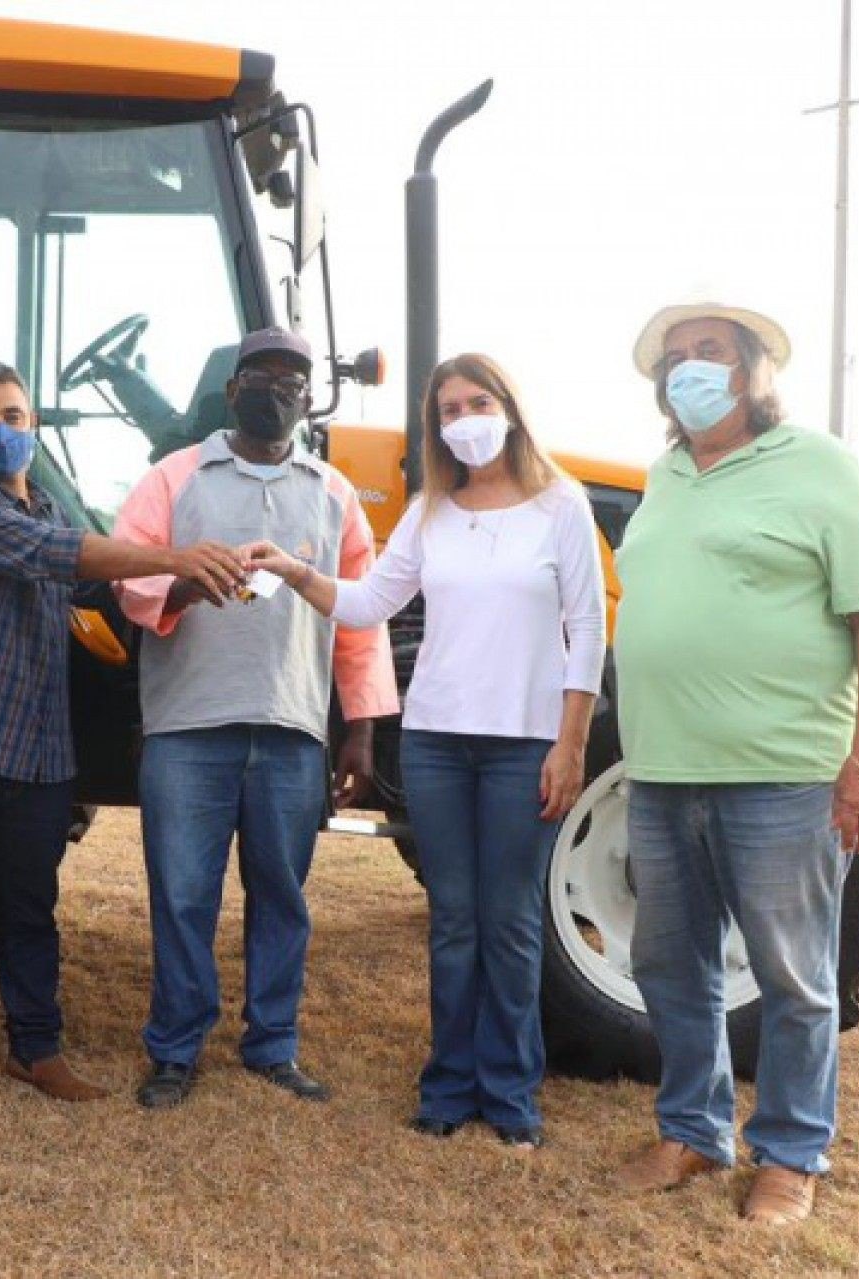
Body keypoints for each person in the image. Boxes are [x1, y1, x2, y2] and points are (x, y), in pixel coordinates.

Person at [0, 363, 250, 1127]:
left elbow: (104, 588)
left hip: (39, 747)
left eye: (12, 414)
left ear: (34, 422)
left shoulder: (42, 503)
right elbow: (70, 556)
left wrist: (190, 588)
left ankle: (35, 1048)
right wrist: (177, 553)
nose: (1, 430)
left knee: (32, 906)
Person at [248, 353, 605, 1150]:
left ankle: (511, 1093)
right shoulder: (430, 510)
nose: (465, 418)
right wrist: (297, 569)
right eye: (449, 409)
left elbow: (587, 627)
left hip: (525, 745)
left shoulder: (561, 506)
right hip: (438, 742)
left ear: (509, 407)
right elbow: (372, 599)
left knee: (509, 919)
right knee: (454, 920)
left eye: (478, 401)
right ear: (436, 426)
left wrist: (571, 741)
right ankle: (446, 1085)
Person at [611, 303, 859, 1225]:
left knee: (794, 975)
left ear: (754, 371)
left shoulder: (822, 468)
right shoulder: (665, 473)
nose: (691, 369)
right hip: (660, 772)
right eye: (678, 358)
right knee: (671, 962)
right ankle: (695, 1129)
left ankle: (791, 1151)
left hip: (783, 774)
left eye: (712, 352)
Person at [112, 328, 399, 1109]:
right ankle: (174, 1049)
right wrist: (179, 585)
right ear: (232, 388)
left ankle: (273, 1043)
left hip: (290, 727)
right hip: (187, 724)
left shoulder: (334, 494)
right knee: (182, 894)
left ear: (310, 400)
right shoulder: (174, 476)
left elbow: (360, 619)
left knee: (283, 894)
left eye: (293, 381)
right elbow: (124, 570)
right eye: (262, 376)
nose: (277, 390)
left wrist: (361, 726)